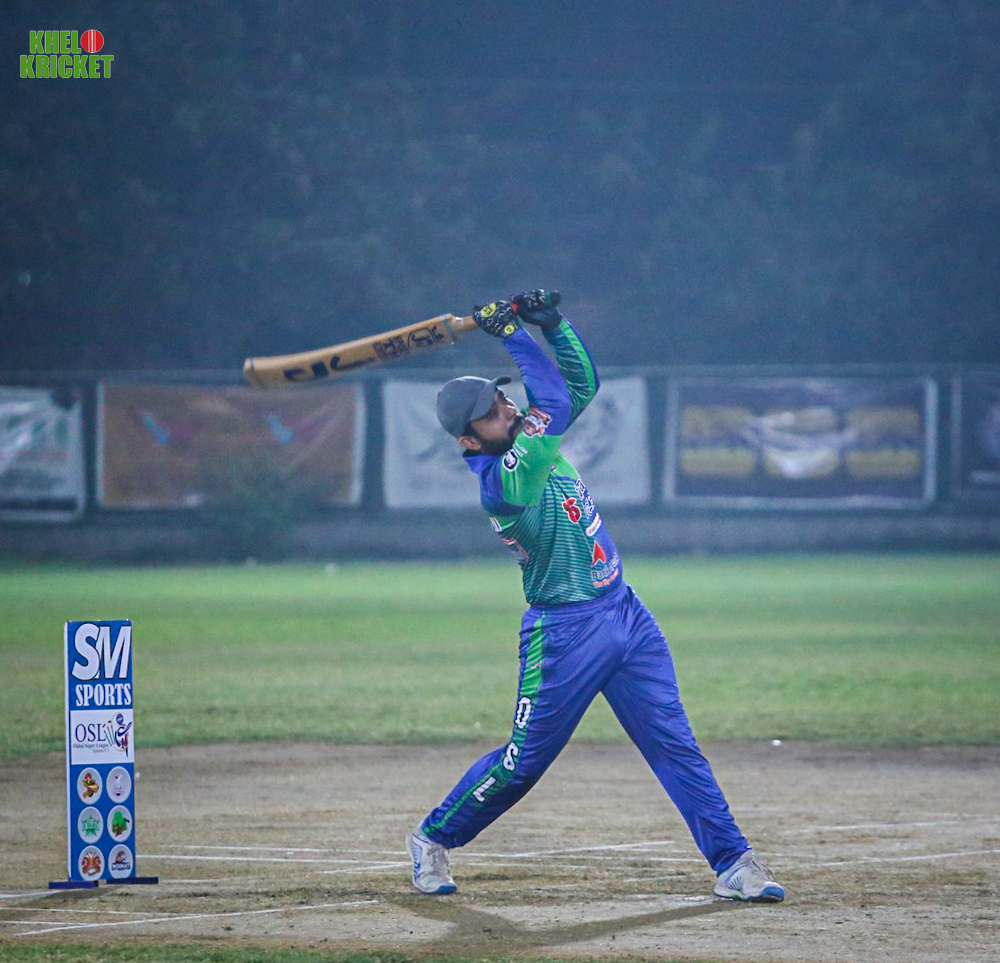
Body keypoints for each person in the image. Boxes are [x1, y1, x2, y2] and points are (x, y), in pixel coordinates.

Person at [406, 291, 784, 903]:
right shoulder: (505, 483)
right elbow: (555, 401)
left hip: (625, 613)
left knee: (673, 742)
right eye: (492, 413)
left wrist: (551, 324)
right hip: (564, 634)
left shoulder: (530, 439)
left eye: (503, 398)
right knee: (523, 763)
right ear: (469, 442)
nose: (508, 408)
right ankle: (433, 837)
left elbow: (581, 385)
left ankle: (734, 862)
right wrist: (512, 335)